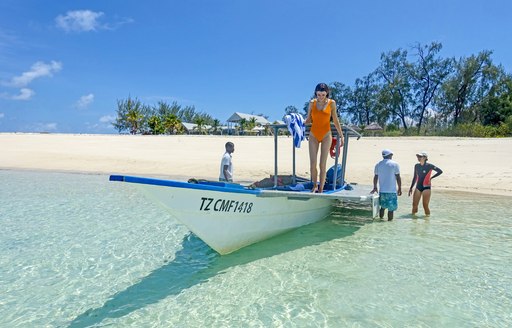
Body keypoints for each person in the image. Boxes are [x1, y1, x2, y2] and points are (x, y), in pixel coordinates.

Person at [304, 83, 343, 193]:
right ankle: (314, 186)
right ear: (315, 93)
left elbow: (335, 120)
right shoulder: (312, 103)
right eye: (319, 94)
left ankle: (321, 188)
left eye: (323, 95)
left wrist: (341, 135)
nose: (320, 97)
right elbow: (308, 120)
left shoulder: (332, 103)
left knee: (322, 164)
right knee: (313, 164)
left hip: (326, 135)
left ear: (327, 94)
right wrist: (297, 122)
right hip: (313, 135)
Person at [408, 151, 443, 216]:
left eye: (420, 156)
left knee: (425, 205)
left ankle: (427, 220)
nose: (418, 158)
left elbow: (440, 171)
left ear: (425, 158)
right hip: (418, 187)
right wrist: (411, 187)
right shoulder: (416, 166)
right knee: (414, 205)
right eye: (418, 156)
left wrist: (431, 178)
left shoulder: (429, 166)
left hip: (426, 187)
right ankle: (413, 220)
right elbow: (415, 177)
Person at [371, 149, 402, 220]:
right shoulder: (395, 164)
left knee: (382, 208)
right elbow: (398, 177)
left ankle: (381, 221)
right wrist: (399, 188)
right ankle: (389, 224)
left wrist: (375, 187)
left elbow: (376, 177)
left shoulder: (378, 164)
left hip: (382, 191)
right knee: (391, 210)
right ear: (390, 155)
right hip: (392, 191)